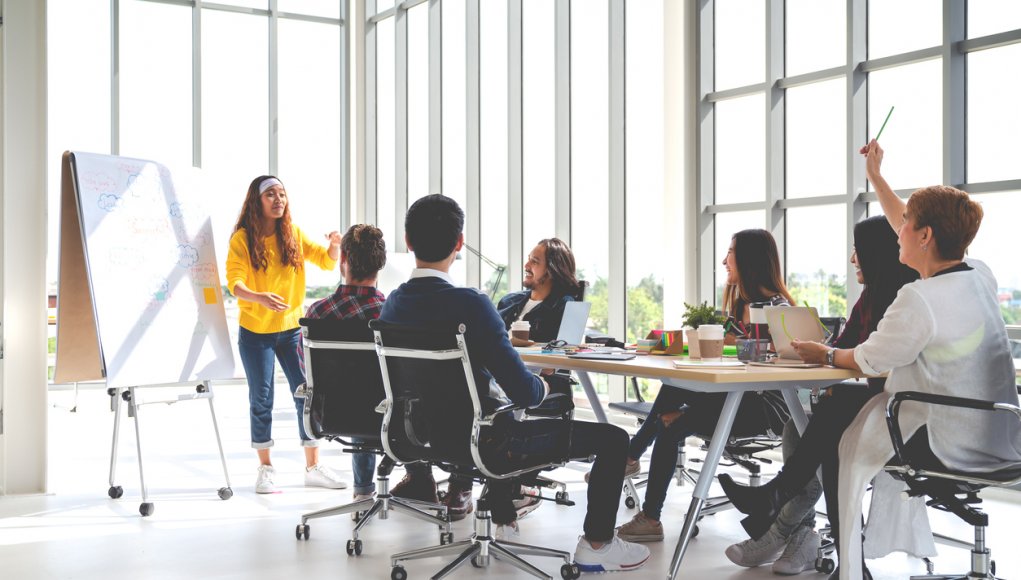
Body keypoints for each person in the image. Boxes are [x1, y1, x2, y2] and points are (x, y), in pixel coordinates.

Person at [763, 140, 1016, 580]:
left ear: (925, 236)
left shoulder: (919, 297)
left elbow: (868, 359)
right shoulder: (979, 275)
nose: (897, 230)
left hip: (947, 441)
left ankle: (806, 524)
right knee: (842, 408)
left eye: (906, 226)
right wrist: (877, 178)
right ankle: (790, 507)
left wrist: (824, 353)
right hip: (1000, 431)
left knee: (842, 415)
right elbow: (907, 218)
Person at [379, 194, 650, 572]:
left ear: (408, 241)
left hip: (422, 435)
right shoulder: (471, 304)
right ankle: (598, 543)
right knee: (615, 439)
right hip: (493, 441)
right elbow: (525, 393)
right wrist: (539, 383)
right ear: (459, 243)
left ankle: (505, 507)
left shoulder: (392, 304)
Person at [719, 215, 919, 576]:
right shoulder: (870, 298)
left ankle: (780, 510)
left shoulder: (904, 301)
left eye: (858, 251)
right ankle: (835, 555)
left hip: (905, 411)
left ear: (875, 254)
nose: (852, 259)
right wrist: (818, 349)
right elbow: (844, 348)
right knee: (801, 430)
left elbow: (871, 357)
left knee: (833, 420)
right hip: (882, 404)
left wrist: (829, 355)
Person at [615, 229, 793, 544]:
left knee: (669, 421)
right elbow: (723, 350)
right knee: (671, 389)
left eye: (731, 252)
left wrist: (730, 342)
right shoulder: (745, 305)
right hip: (734, 397)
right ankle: (635, 465)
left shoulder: (775, 307)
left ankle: (641, 486)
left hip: (760, 406)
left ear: (749, 260)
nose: (725, 261)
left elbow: (762, 362)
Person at [435, 238, 585, 522]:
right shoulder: (510, 301)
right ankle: (472, 484)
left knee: (479, 403)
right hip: (498, 378)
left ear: (552, 270)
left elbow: (563, 359)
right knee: (462, 394)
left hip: (534, 383)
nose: (527, 266)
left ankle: (475, 486)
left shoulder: (567, 307)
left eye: (535, 262)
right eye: (529, 259)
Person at [226, 175, 348, 494]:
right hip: (255, 333)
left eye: (282, 194)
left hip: (292, 330)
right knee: (262, 399)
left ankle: (313, 466)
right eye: (271, 194)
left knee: (306, 393)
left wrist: (335, 246)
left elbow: (325, 260)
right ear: (257, 201)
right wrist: (259, 297)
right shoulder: (241, 239)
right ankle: (265, 468)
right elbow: (234, 282)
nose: (279, 199)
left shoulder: (291, 233)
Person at [304, 224, 387, 507]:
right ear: (381, 265)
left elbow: (309, 370)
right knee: (376, 394)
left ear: (342, 261)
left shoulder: (316, 313)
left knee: (351, 392)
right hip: (383, 417)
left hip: (332, 414)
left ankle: (363, 489)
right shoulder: (390, 315)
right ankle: (416, 478)